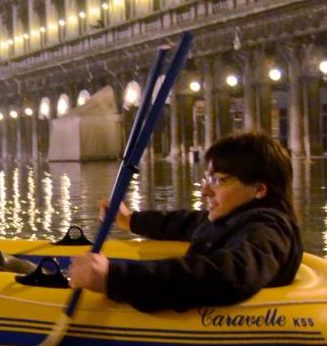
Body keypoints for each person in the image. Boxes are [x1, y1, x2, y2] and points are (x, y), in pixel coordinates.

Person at [67, 131, 302, 314]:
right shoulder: (234, 219)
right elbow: (183, 223)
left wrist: (115, 277)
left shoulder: (267, 230)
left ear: (259, 189)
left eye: (218, 181)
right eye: (206, 179)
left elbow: (226, 275)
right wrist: (130, 220)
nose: (205, 191)